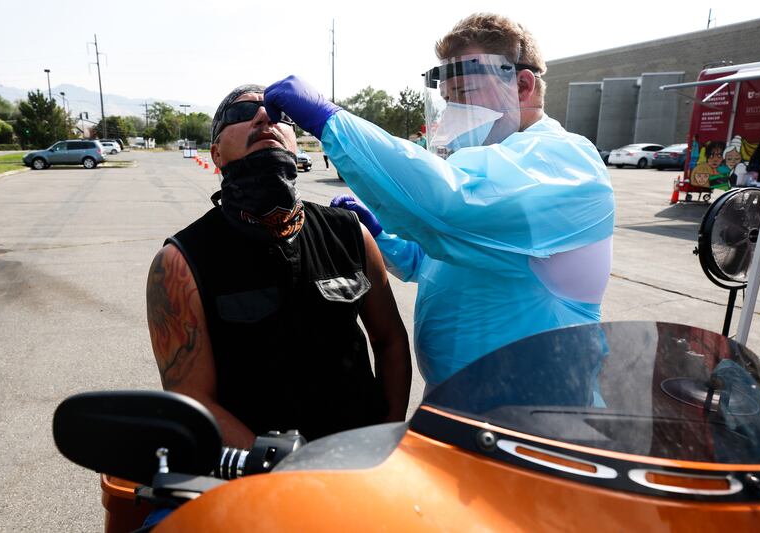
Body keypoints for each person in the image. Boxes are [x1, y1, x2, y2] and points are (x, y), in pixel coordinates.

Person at [264, 13, 614, 390]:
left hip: (536, 414)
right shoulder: (493, 161)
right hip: (459, 407)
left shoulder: (564, 162)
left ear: (523, 86)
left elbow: (449, 207)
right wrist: (383, 237)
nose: (452, 112)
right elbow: (432, 260)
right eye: (447, 100)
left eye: (463, 94)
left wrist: (330, 120)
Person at [145, 84, 411, 447]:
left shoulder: (350, 233)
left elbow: (391, 339)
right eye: (241, 114)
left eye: (280, 115)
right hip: (255, 484)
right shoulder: (180, 262)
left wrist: (389, 432)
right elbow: (192, 399)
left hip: (359, 470)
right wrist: (280, 469)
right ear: (215, 154)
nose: (264, 117)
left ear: (296, 144)